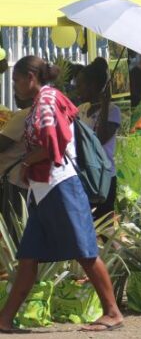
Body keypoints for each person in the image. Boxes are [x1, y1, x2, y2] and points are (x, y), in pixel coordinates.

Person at [0, 56, 123, 332]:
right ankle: (5, 318)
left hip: (60, 187)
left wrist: (27, 162)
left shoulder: (47, 101)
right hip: (44, 192)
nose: (15, 86)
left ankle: (113, 312)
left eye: (17, 80)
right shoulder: (45, 101)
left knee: (85, 251)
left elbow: (56, 144)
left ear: (31, 78)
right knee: (29, 256)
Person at [75, 58, 122, 222]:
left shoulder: (112, 111)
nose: (76, 89)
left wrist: (105, 102)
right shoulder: (81, 110)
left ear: (93, 86)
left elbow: (100, 138)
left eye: (80, 85)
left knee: (104, 226)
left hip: (103, 176)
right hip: (83, 174)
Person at [0, 96, 32, 227]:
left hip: (15, 182)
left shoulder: (24, 115)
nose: (14, 93)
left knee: (13, 228)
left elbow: (2, 144)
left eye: (17, 82)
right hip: (26, 182)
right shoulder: (39, 112)